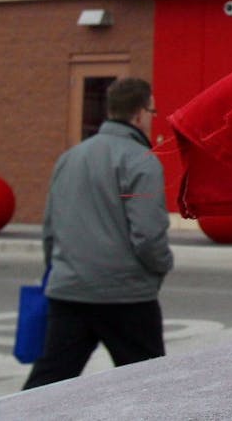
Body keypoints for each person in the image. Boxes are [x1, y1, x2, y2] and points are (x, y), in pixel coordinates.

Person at [23, 77, 174, 389]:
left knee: (47, 383)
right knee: (150, 387)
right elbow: (148, 234)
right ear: (139, 114)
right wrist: (162, 266)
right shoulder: (141, 162)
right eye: (153, 111)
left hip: (70, 290)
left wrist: (59, 269)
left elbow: (51, 229)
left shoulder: (69, 158)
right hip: (126, 296)